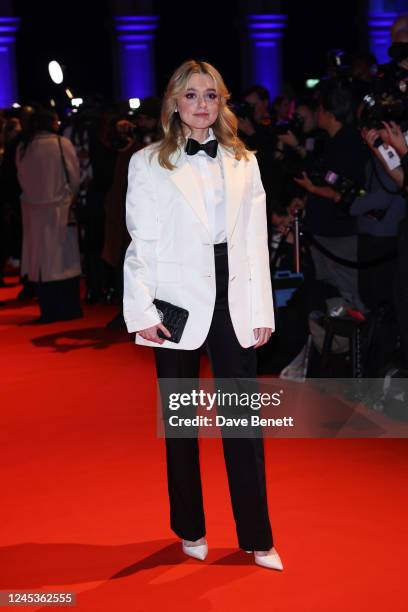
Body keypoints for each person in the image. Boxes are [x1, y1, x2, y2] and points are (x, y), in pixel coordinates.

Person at [123, 60, 282, 571]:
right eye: (191, 95)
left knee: (242, 421)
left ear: (222, 103)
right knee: (180, 422)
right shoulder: (147, 162)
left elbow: (255, 241)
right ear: (173, 102)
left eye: (211, 96)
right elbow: (140, 240)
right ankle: (190, 527)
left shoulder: (243, 159)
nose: (201, 105)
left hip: (233, 291)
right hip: (175, 297)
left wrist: (261, 308)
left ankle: (258, 538)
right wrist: (141, 307)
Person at [16, 108, 82, 323]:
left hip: (33, 212)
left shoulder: (24, 147)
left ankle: (48, 310)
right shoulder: (61, 144)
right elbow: (74, 177)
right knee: (64, 261)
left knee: (41, 263)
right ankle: (69, 309)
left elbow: (20, 178)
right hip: (59, 209)